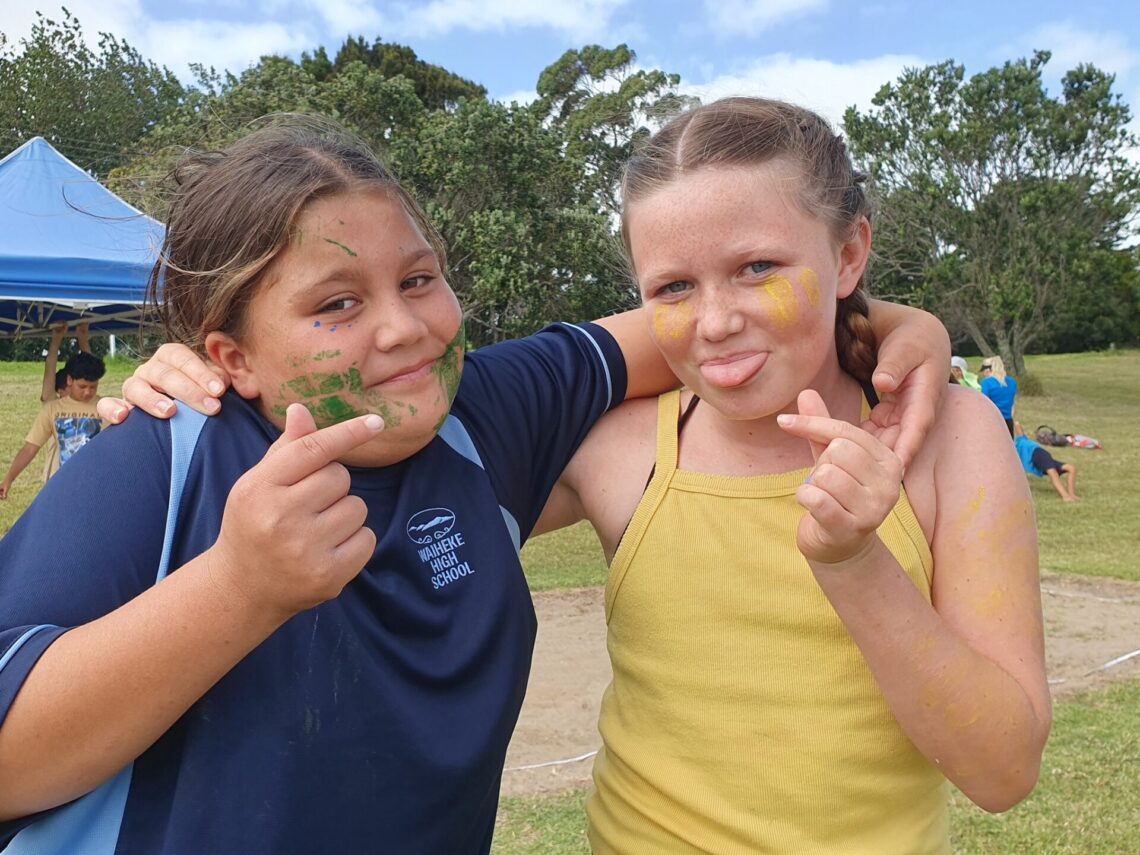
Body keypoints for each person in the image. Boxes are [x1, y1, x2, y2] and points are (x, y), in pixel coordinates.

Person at [0, 116, 950, 853]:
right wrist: (237, 587)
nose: (404, 327)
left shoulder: (483, 413)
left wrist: (890, 322)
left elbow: (697, 324)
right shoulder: (162, 455)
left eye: (420, 279)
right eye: (338, 303)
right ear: (232, 356)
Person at [535, 97, 1049, 852]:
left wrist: (855, 562)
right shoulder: (612, 449)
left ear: (850, 253)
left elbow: (1003, 770)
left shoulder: (952, 436)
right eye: (673, 287)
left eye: (758, 268)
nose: (715, 322)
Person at [0, 350, 105, 500]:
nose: (88, 392)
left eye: (93, 387)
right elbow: (30, 448)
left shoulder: (105, 407)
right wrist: (8, 479)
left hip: (96, 485)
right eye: (82, 387)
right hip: (59, 486)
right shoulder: (53, 409)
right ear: (70, 380)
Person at [1015, 421, 1079, 502]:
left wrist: (1011, 418)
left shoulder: (1021, 439)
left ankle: (1072, 494)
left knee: (1071, 468)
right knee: (1053, 473)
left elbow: (1017, 425)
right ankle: (1065, 496)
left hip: (1042, 453)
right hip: (1036, 455)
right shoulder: (1012, 449)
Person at [40, 321, 92, 403]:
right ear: (61, 392)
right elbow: (49, 372)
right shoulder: (54, 406)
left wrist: (83, 338)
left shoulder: (87, 403)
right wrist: (56, 340)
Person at [979, 354, 1018, 435]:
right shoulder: (1012, 382)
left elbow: (984, 403)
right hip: (1008, 421)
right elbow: (1013, 404)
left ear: (988, 370)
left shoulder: (987, 383)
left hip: (993, 421)